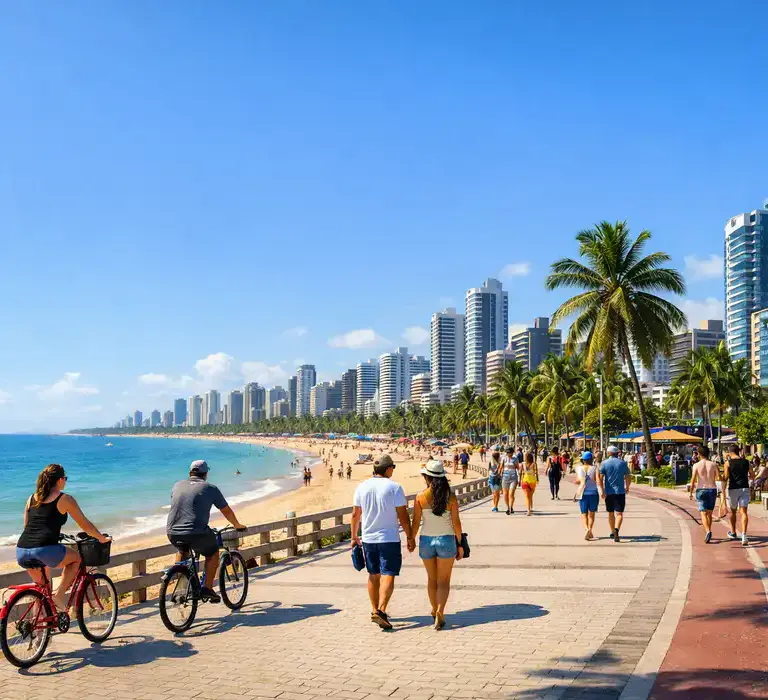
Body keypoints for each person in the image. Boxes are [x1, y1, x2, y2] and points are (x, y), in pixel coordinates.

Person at [16, 463, 111, 611]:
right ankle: (59, 596)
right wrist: (101, 538)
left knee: (42, 592)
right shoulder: (64, 499)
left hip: (22, 550)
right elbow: (85, 524)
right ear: (60, 480)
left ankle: (39, 626)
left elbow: (27, 526)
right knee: (77, 559)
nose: (65, 481)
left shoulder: (31, 499)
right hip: (44, 549)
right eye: (65, 478)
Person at [166, 460, 247, 604]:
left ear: (190, 472)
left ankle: (181, 583)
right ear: (206, 473)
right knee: (212, 553)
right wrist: (237, 524)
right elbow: (226, 510)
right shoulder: (210, 488)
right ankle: (207, 588)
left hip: (172, 531)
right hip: (196, 532)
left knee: (183, 549)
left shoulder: (177, 485)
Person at [350, 455, 415, 630]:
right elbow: (403, 515)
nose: (393, 470)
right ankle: (382, 609)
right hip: (389, 538)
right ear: (387, 469)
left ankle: (374, 610)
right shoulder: (394, 487)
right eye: (392, 467)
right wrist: (410, 536)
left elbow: (356, 514)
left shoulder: (362, 487)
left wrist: (354, 536)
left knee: (373, 574)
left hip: (368, 538)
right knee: (388, 573)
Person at [411, 460, 464, 630]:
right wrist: (460, 543)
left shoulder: (420, 497)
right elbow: (456, 523)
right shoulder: (451, 497)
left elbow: (416, 522)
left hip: (426, 540)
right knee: (444, 580)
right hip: (446, 540)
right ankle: (440, 611)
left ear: (427, 477)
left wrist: (411, 539)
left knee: (432, 579)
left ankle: (434, 610)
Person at [597, 445, 631, 543]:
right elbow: (628, 477)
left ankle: (612, 531)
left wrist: (602, 490)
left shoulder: (604, 463)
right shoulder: (623, 463)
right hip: (620, 492)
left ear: (608, 453)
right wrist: (627, 487)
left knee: (611, 513)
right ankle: (617, 530)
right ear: (617, 453)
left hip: (609, 492)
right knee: (619, 513)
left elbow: (600, 478)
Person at [723, 444, 755, 546]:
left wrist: (720, 478)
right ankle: (744, 534)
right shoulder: (746, 462)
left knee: (733, 512)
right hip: (744, 488)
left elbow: (726, 477)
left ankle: (733, 532)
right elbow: (752, 475)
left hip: (733, 488)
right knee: (743, 512)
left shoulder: (728, 463)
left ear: (730, 452)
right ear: (738, 451)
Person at [689, 445, 719, 543]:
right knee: (709, 514)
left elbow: (693, 479)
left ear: (699, 454)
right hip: (712, 490)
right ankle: (708, 531)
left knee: (703, 512)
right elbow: (718, 478)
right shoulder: (714, 464)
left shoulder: (696, 465)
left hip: (701, 490)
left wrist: (690, 492)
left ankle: (707, 531)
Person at [575, 451, 599, 541]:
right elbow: (597, 480)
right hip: (593, 493)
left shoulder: (579, 468)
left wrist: (582, 481)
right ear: (591, 460)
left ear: (583, 460)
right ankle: (590, 529)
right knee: (591, 514)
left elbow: (577, 481)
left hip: (582, 493)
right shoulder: (595, 468)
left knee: (584, 514)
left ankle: (587, 529)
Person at [501, 448, 519, 515]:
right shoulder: (504, 458)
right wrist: (499, 475)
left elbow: (518, 468)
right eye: (507, 453)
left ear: (512, 453)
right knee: (505, 494)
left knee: (511, 494)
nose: (508, 454)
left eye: (509, 452)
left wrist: (520, 478)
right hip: (505, 477)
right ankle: (507, 508)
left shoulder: (515, 459)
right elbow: (501, 467)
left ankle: (511, 507)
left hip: (513, 477)